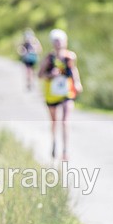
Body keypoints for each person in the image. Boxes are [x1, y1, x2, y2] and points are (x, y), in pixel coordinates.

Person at [39, 28, 83, 161]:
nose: (58, 43)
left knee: (64, 121)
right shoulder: (49, 58)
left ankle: (65, 150)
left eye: (60, 40)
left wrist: (77, 83)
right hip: (52, 94)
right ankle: (54, 142)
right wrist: (50, 75)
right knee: (54, 122)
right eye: (56, 41)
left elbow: (73, 70)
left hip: (66, 92)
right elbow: (40, 75)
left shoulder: (70, 57)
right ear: (53, 43)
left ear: (65, 41)